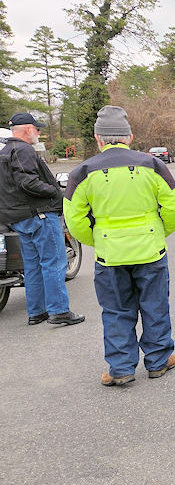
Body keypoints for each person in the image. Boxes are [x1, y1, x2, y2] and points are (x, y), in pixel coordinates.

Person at [63, 106, 175, 386]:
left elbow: (74, 219)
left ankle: (120, 368)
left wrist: (98, 240)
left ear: (98, 138)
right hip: (150, 250)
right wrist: (159, 232)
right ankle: (159, 360)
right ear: (129, 137)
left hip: (109, 255)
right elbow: (174, 206)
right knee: (155, 305)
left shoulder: (83, 171)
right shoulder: (152, 165)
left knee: (116, 310)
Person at [0, 113, 83, 326]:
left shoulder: (5, 151)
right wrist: (56, 193)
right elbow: (27, 182)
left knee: (33, 266)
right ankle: (59, 311)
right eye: (37, 129)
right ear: (28, 129)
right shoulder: (23, 150)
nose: (38, 132)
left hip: (20, 218)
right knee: (54, 262)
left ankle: (37, 312)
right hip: (39, 214)